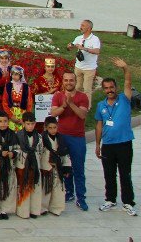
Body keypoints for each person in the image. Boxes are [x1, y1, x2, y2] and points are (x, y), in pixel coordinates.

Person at [94, 58, 137, 216]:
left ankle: (128, 202)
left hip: (124, 143)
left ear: (116, 88)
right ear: (103, 90)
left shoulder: (125, 99)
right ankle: (110, 199)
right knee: (108, 173)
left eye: (112, 87)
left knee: (125, 173)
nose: (109, 90)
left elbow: (128, 82)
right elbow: (99, 125)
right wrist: (98, 145)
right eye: (106, 88)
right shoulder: (101, 105)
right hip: (108, 145)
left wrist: (125, 67)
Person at [49, 70, 90, 210]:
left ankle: (81, 197)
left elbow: (83, 115)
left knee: (78, 168)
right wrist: (64, 105)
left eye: (71, 80)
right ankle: (69, 192)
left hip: (77, 137)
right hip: (62, 136)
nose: (68, 83)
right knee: (65, 167)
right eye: (66, 80)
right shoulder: (58, 96)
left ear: (75, 81)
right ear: (63, 81)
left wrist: (71, 104)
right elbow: (53, 113)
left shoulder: (83, 97)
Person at [40, 116, 71, 216]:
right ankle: (43, 208)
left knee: (57, 188)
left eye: (55, 127)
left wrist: (66, 168)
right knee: (45, 188)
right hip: (45, 166)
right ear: (45, 128)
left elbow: (65, 155)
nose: (53, 130)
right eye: (50, 128)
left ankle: (56, 208)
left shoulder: (61, 139)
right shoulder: (41, 139)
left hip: (58, 167)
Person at [14, 111, 43, 218]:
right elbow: (15, 150)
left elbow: (41, 151)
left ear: (35, 123)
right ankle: (23, 211)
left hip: (35, 164)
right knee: (23, 186)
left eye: (32, 124)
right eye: (28, 124)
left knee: (35, 186)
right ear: (23, 123)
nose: (30, 126)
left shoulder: (39, 137)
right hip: (22, 164)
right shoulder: (18, 136)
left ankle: (34, 210)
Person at [67, 20, 101, 96]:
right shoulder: (79, 38)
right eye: (81, 25)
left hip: (89, 68)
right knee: (77, 88)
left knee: (87, 90)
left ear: (89, 28)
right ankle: (76, 104)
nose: (80, 27)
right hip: (78, 67)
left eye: (83, 26)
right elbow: (70, 47)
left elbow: (97, 51)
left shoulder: (95, 39)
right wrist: (69, 46)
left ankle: (87, 107)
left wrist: (84, 48)